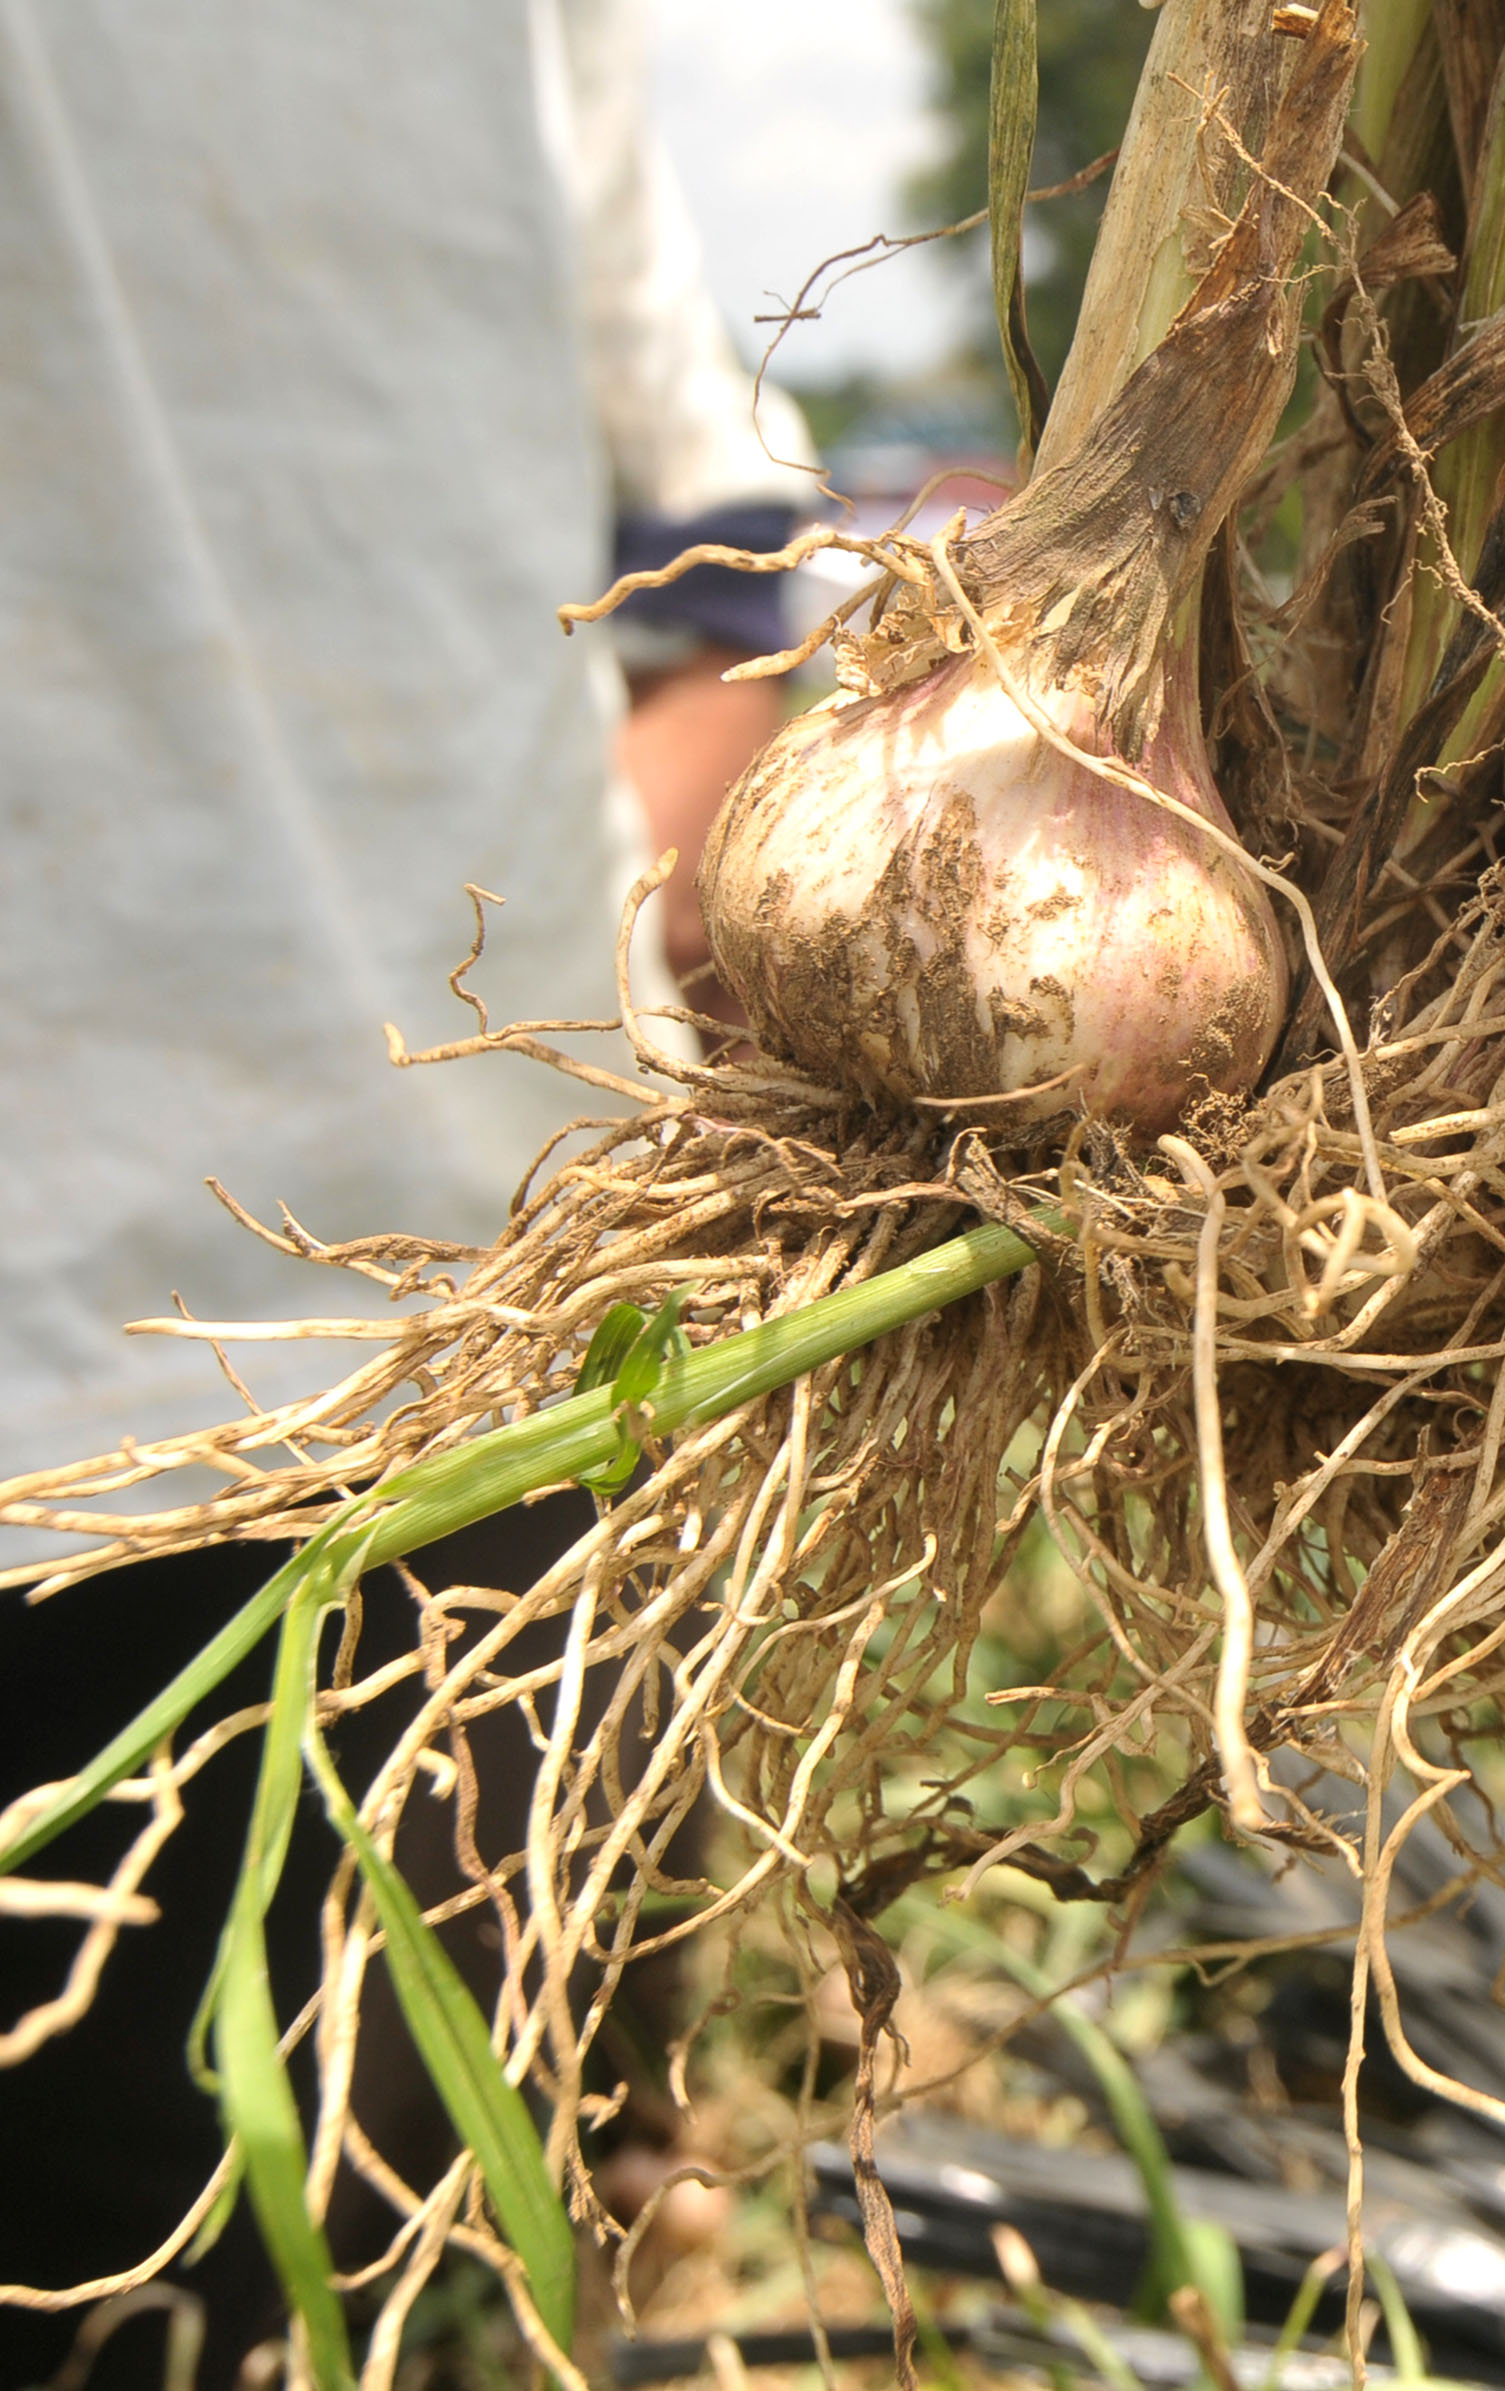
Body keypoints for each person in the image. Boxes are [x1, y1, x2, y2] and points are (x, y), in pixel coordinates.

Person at [0, 4, 809, 2380]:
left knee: (350, 2235)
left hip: (472, 1324)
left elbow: (722, 546)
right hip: (96, 1372)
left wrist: (649, 945)